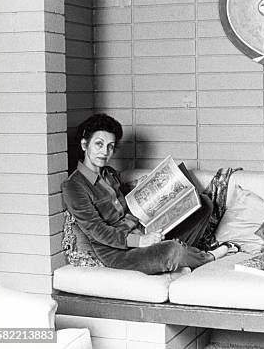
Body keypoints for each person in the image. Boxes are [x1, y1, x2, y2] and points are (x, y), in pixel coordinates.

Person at [61, 113, 215, 274]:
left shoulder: (110, 173)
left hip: (141, 228)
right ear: (84, 144)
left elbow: (127, 203)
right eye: (99, 144)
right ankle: (205, 257)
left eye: (110, 146)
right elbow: (98, 231)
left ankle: (182, 256)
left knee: (203, 203)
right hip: (118, 251)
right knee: (172, 251)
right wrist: (140, 241)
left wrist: (146, 187)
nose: (105, 152)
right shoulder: (73, 186)